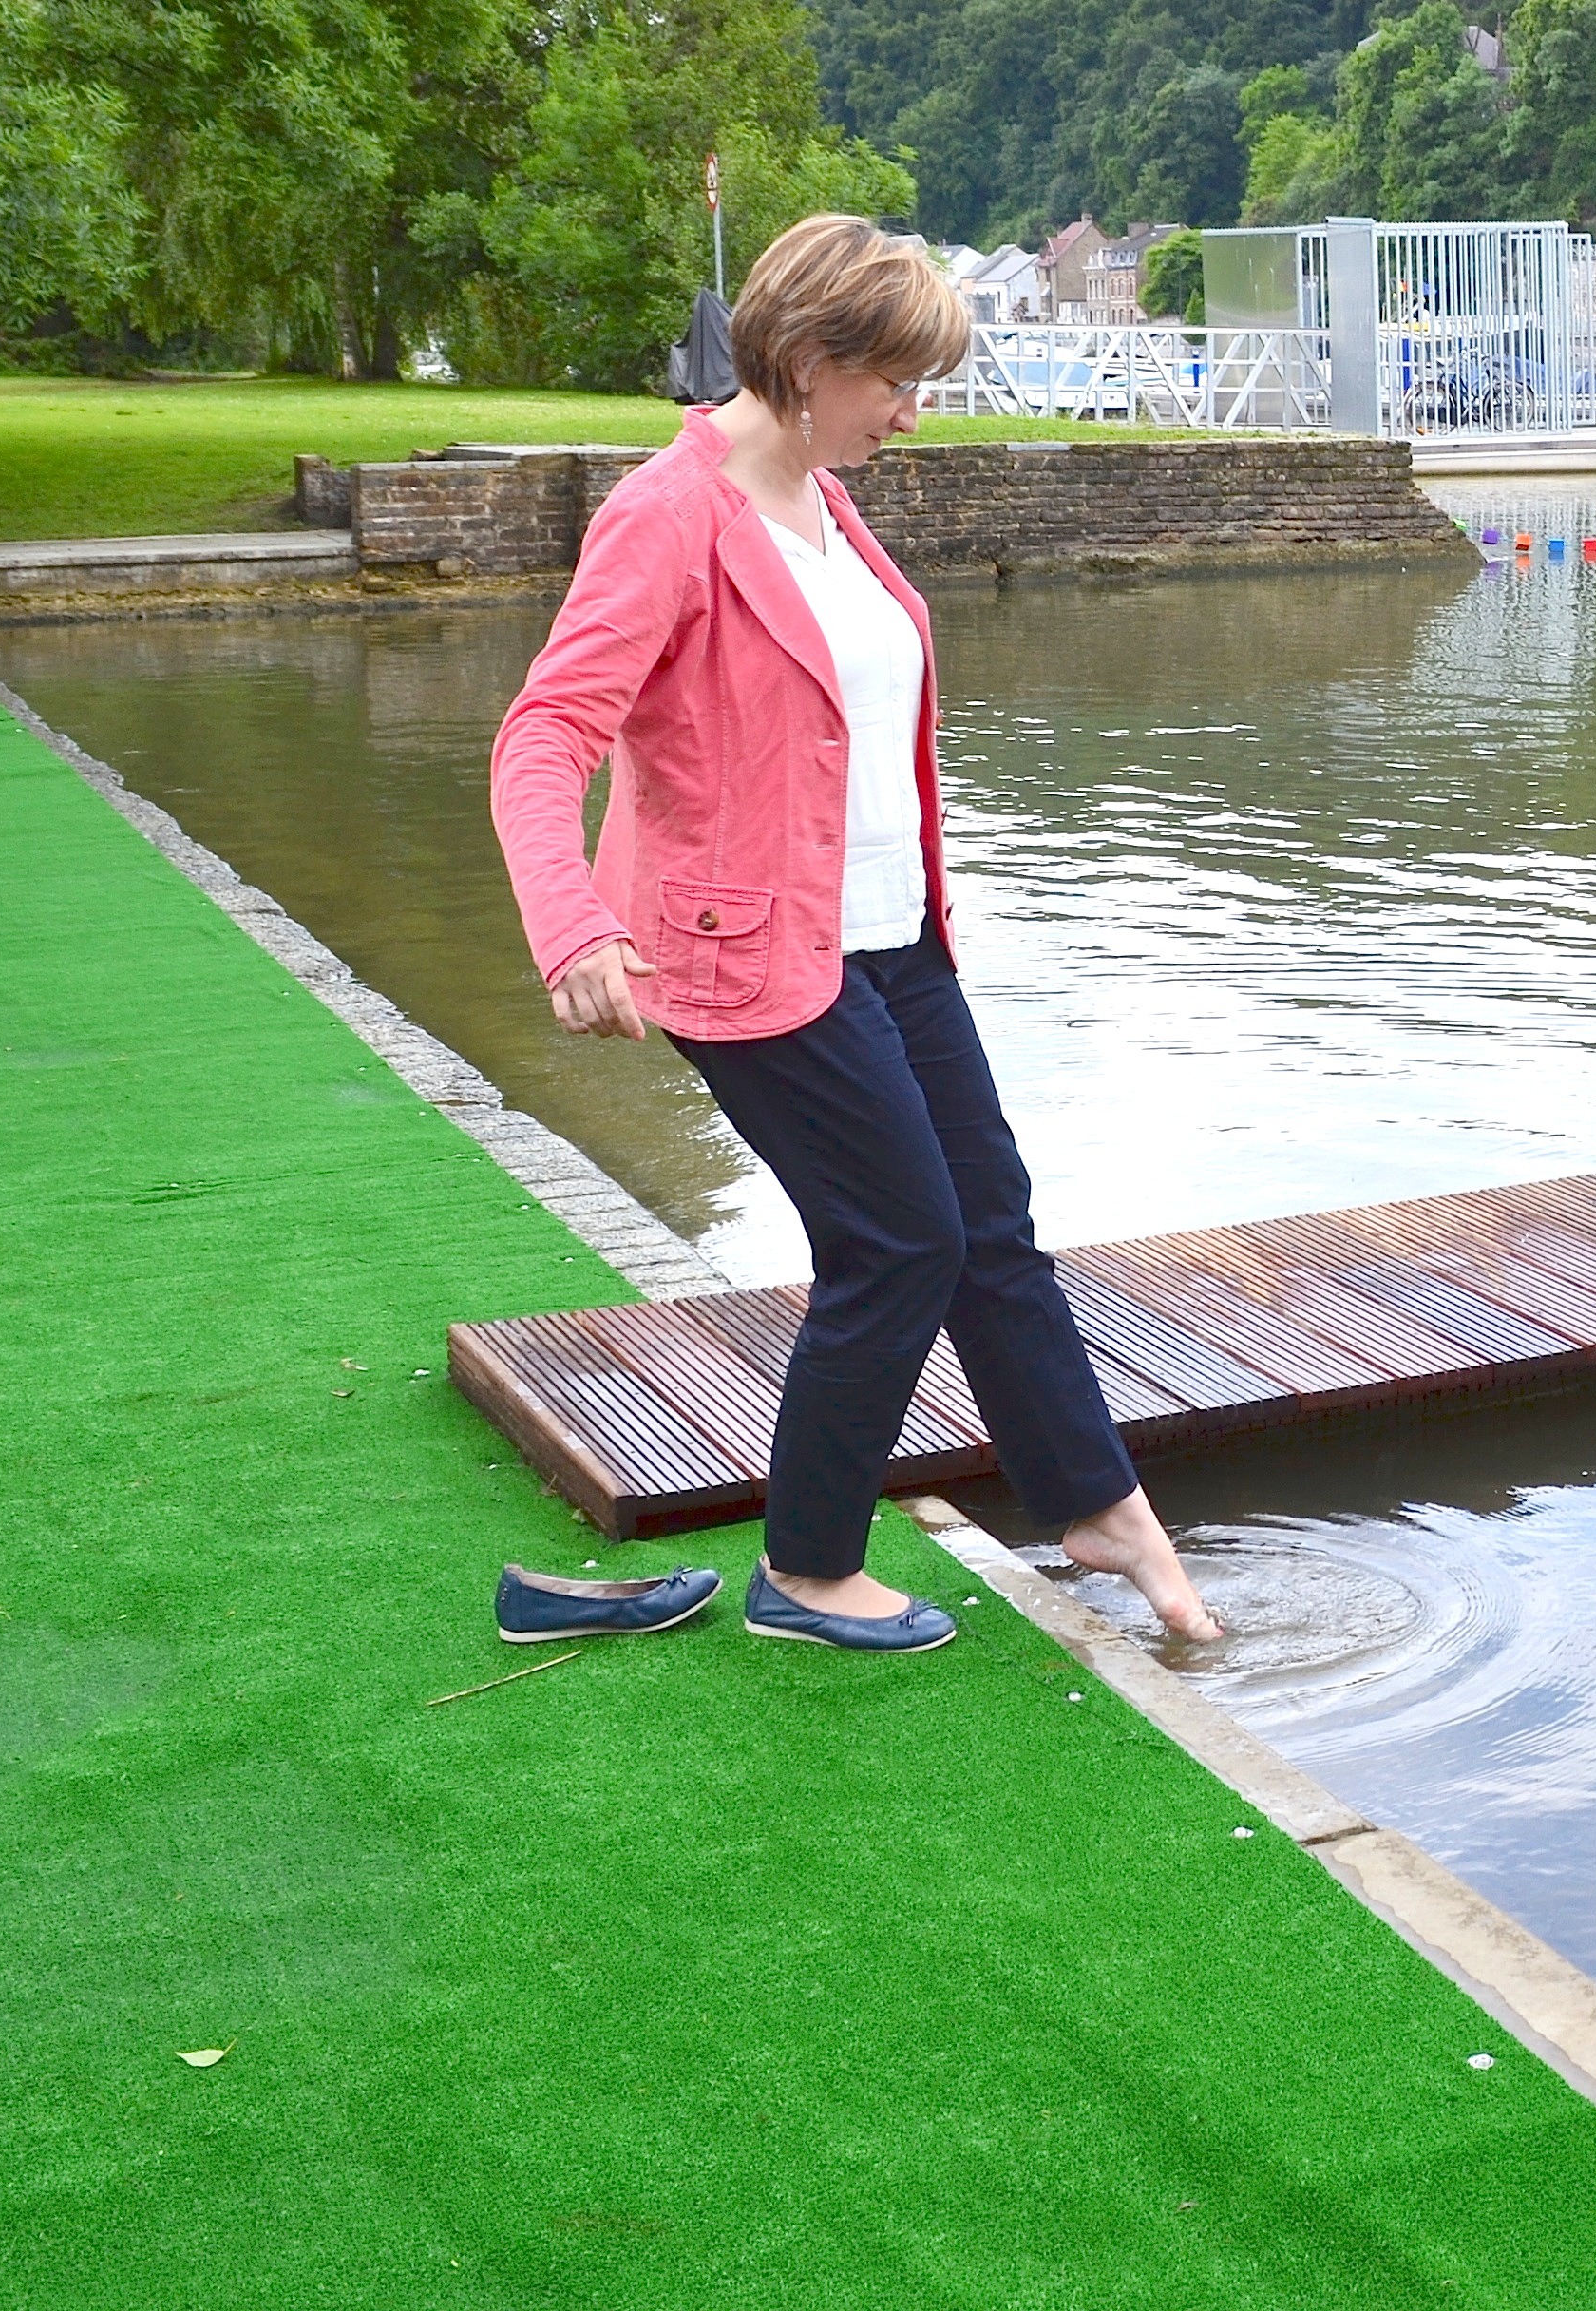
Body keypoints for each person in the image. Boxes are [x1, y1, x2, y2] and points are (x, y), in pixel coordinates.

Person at [489, 214, 1222, 1653]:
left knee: (990, 1232)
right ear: (812, 360)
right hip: (743, 955)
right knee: (898, 1244)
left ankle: (1096, 1503)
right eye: (898, 380)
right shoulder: (668, 513)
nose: (914, 409)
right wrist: (571, 922)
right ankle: (809, 1572)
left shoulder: (824, 495)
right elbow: (545, 735)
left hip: (894, 940)